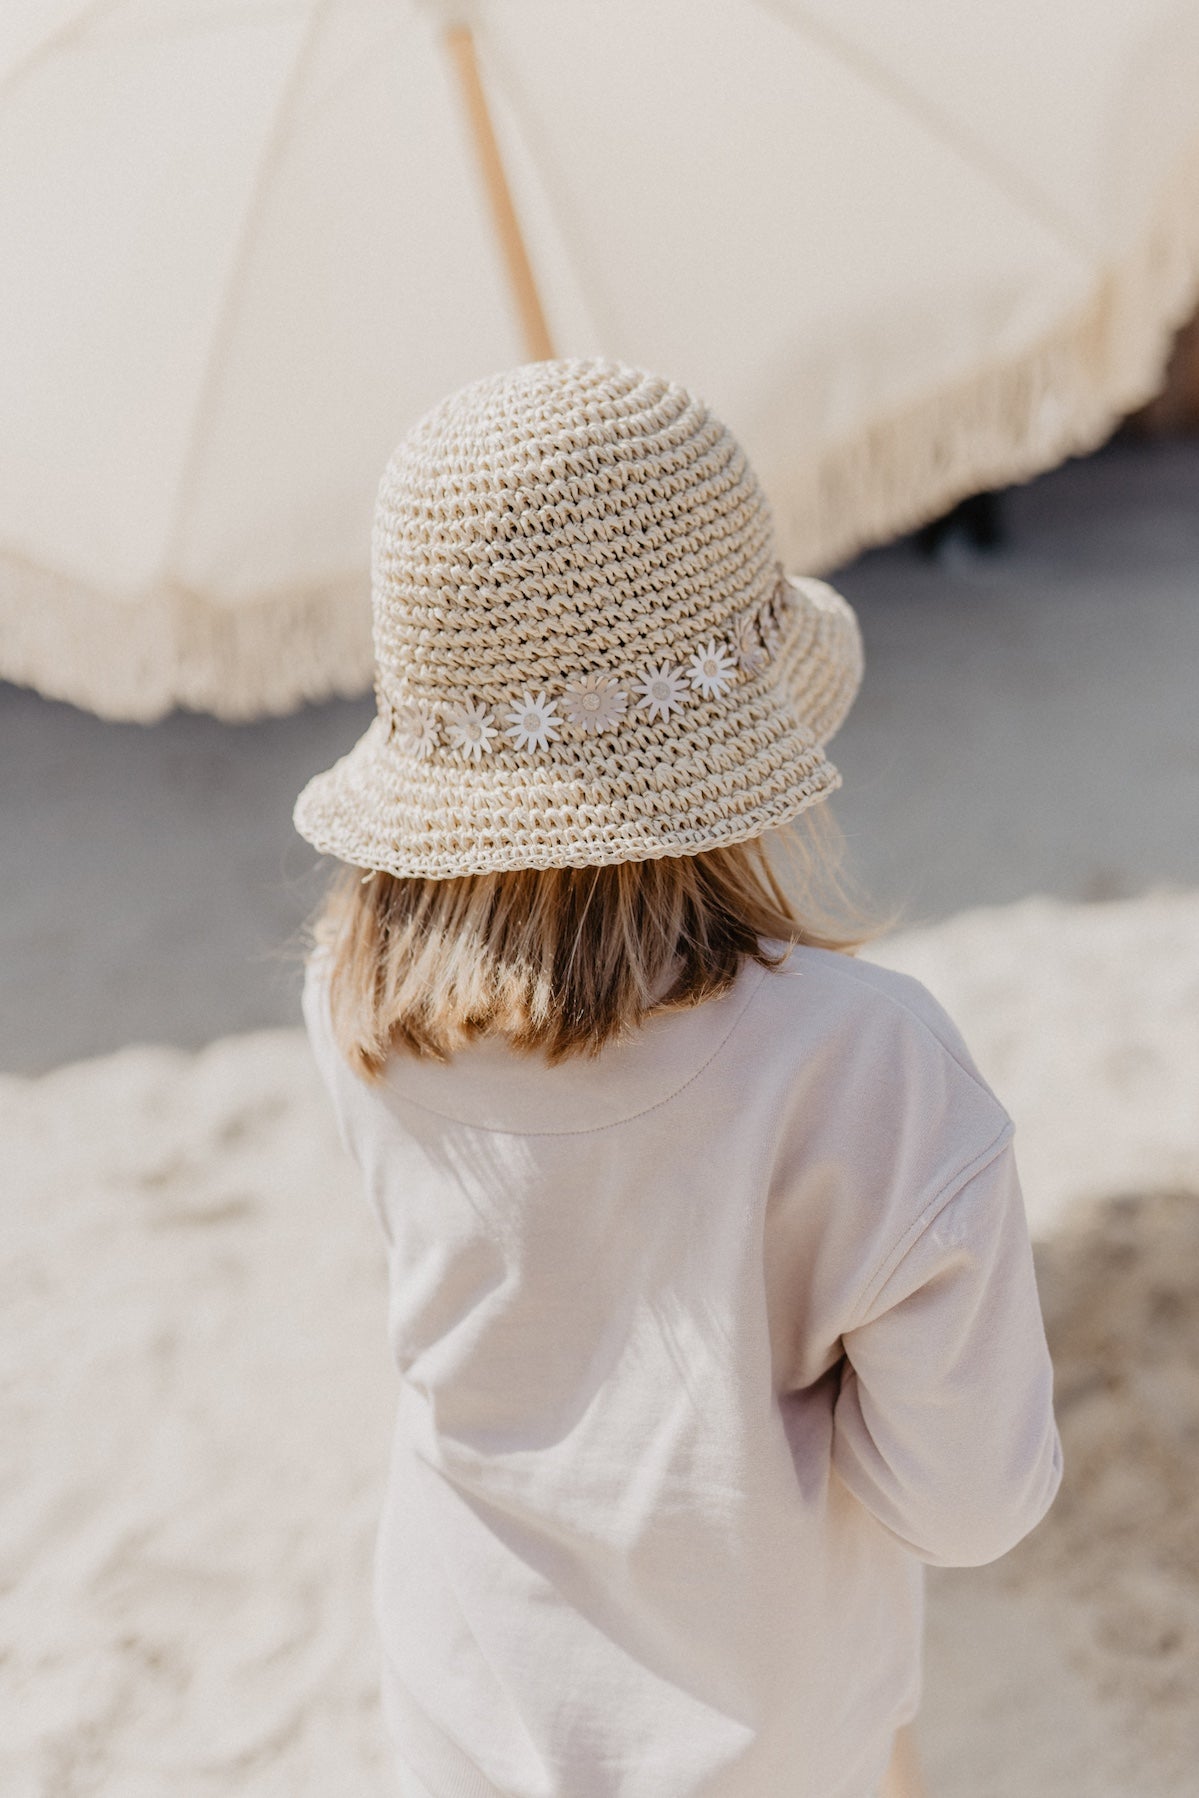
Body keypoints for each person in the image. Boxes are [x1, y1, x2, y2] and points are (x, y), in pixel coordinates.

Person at [294, 360, 1062, 1798]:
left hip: (465, 1685)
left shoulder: (353, 1006)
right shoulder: (865, 1059)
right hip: (774, 1730)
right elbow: (969, 1500)